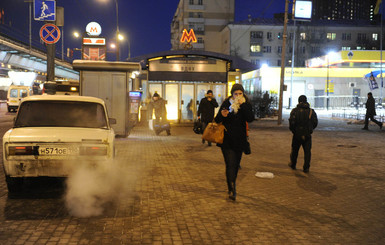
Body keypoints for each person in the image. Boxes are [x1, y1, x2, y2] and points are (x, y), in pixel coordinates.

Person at [214, 84, 254, 200]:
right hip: (227, 140)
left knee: (236, 165)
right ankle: (232, 189)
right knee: (230, 164)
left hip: (240, 140)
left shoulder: (246, 104)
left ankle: (232, 183)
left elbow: (250, 118)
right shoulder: (227, 103)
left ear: (243, 94)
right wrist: (222, 115)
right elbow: (217, 120)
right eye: (235, 94)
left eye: (240, 93)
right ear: (232, 94)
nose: (238, 96)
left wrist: (243, 105)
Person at [288, 95, 318, 173]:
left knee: (295, 150)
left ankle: (293, 164)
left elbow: (291, 122)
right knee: (307, 151)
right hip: (307, 134)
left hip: (297, 134)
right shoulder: (311, 111)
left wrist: (293, 130)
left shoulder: (294, 111)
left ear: (299, 101)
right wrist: (310, 130)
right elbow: (315, 122)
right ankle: (306, 167)